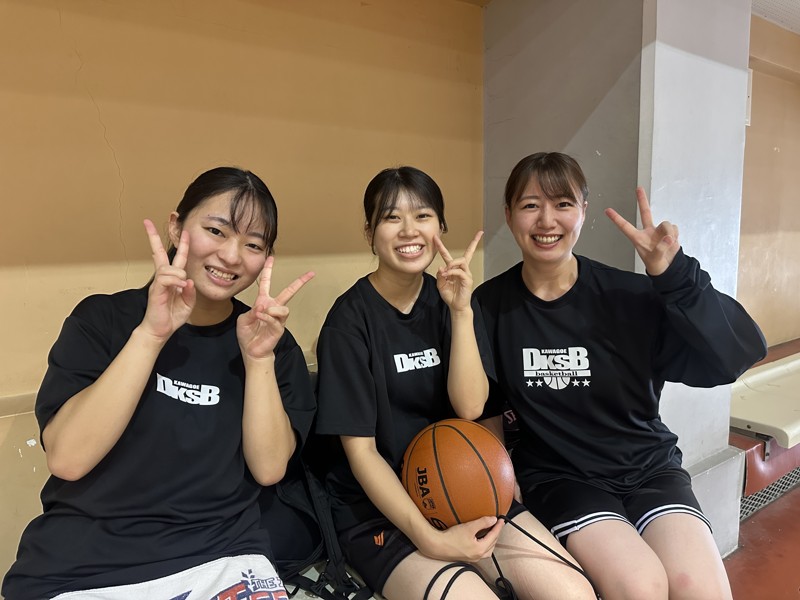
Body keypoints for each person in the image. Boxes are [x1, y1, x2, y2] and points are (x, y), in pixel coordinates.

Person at [3, 167, 316, 600]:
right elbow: (68, 459)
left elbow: (269, 469)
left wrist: (259, 359)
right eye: (216, 231)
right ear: (176, 226)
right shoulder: (103, 321)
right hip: (84, 566)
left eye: (253, 244)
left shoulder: (270, 342)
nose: (231, 255)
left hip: (221, 556)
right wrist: (150, 336)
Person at [474, 152, 768, 600]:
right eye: (530, 205)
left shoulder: (630, 295)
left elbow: (736, 355)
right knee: (640, 586)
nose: (546, 220)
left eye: (562, 204)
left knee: (700, 589)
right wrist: (502, 488)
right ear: (509, 214)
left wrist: (676, 277)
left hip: (648, 468)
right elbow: (487, 408)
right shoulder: (489, 306)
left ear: (583, 211)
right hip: (562, 477)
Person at [313, 166, 596, 600]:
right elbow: (362, 453)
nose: (409, 230)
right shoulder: (348, 323)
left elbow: (470, 409)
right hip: (379, 510)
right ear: (369, 231)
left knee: (575, 593)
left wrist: (461, 312)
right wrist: (431, 540)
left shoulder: (453, 301)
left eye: (422, 215)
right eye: (391, 217)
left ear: (440, 227)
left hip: (461, 485)